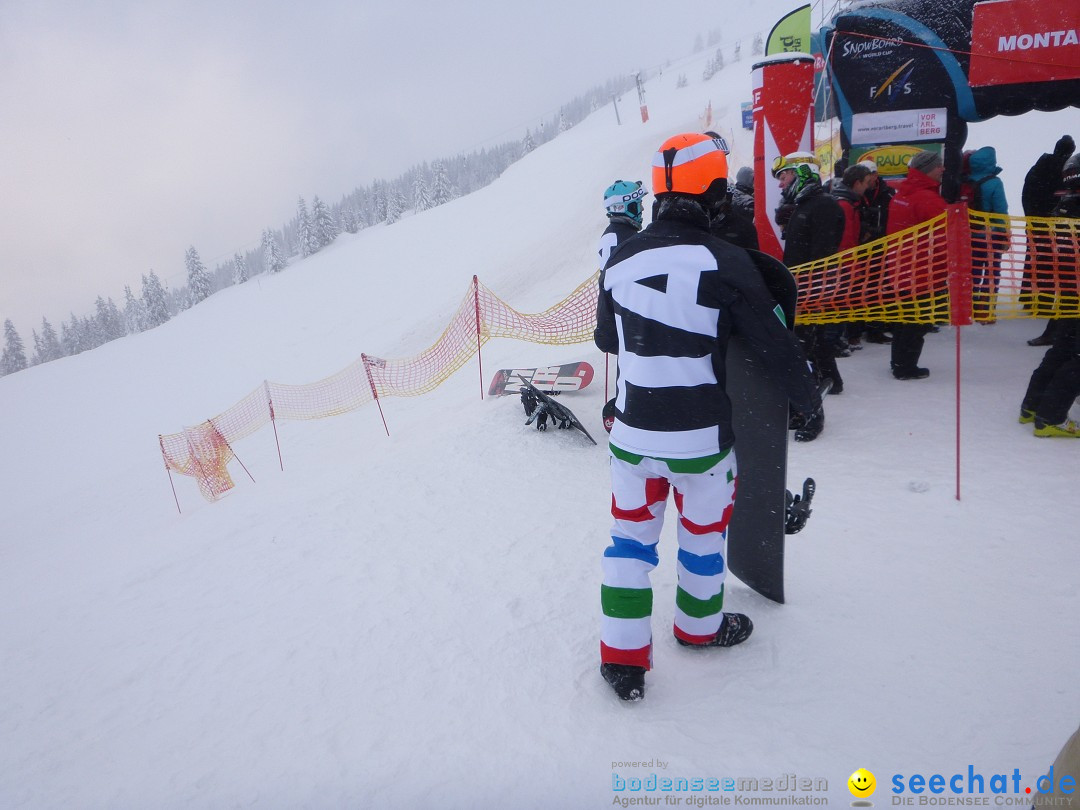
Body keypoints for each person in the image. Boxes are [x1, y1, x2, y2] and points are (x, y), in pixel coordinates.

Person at [594, 133, 823, 701]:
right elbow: (774, 345)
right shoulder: (727, 261)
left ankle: (622, 660)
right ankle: (699, 629)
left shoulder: (620, 259)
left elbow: (605, 336)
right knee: (703, 534)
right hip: (701, 442)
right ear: (715, 193)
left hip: (631, 435)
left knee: (628, 543)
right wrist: (807, 398)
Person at [773, 152, 847, 394]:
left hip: (814, 286)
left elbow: (822, 253)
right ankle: (826, 379)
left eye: (783, 176)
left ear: (798, 173)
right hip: (802, 283)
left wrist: (813, 287)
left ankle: (821, 381)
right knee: (809, 337)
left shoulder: (823, 205)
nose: (780, 183)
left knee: (811, 336)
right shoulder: (805, 204)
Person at [1019, 153, 1080, 437]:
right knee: (1075, 356)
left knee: (1063, 349)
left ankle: (1032, 406)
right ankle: (1051, 416)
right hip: (1074, 288)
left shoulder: (1063, 205)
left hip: (1068, 290)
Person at [884, 150, 947, 380]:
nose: (942, 169)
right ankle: (905, 367)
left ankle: (898, 362)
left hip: (901, 266)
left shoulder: (903, 193)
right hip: (922, 269)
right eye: (939, 166)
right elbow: (944, 238)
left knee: (905, 318)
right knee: (917, 321)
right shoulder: (927, 199)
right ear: (927, 169)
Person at [1022, 135, 1075, 346]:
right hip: (1057, 224)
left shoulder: (1037, 168)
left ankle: (1030, 299)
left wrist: (1030, 216)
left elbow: (1026, 194)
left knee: (1033, 261)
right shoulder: (1065, 172)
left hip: (1034, 222)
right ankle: (1045, 304)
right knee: (1053, 265)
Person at [961, 147, 1010, 321]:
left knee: (973, 271)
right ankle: (985, 311)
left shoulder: (965, 181)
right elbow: (1000, 212)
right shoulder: (994, 182)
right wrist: (1005, 234)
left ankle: (968, 306)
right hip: (991, 236)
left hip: (970, 234)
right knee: (991, 272)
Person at [857, 159, 895, 345]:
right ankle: (859, 327)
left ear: (875, 175)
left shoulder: (886, 193)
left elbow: (890, 218)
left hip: (881, 247)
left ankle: (876, 328)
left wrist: (878, 231)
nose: (867, 180)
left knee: (878, 288)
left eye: (869, 176)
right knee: (858, 287)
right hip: (860, 248)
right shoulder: (856, 193)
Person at [598, 180, 648, 266]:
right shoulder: (630, 238)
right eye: (639, 204)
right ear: (624, 207)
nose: (642, 208)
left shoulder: (609, 234)